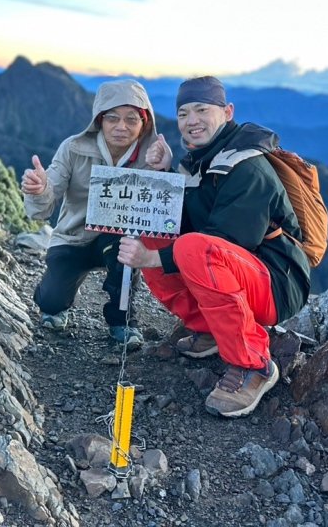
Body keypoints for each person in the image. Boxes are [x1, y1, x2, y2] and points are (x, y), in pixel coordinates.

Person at [118, 75, 311, 417]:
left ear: (227, 112)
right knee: (152, 233)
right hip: (237, 272)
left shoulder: (248, 167)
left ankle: (254, 364)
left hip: (277, 282)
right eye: (183, 113)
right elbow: (187, 225)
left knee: (188, 250)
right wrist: (165, 174)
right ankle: (208, 329)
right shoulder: (202, 161)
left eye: (202, 109)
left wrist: (153, 258)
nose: (191, 121)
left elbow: (221, 245)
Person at [21, 79, 167, 350]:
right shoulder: (73, 149)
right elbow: (47, 198)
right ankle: (58, 293)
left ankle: (122, 321)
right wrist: (40, 189)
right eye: (112, 118)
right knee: (52, 304)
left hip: (115, 240)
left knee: (126, 247)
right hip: (73, 238)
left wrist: (165, 171)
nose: (121, 127)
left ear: (144, 122)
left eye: (131, 119)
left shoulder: (153, 157)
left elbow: (163, 211)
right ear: (99, 120)